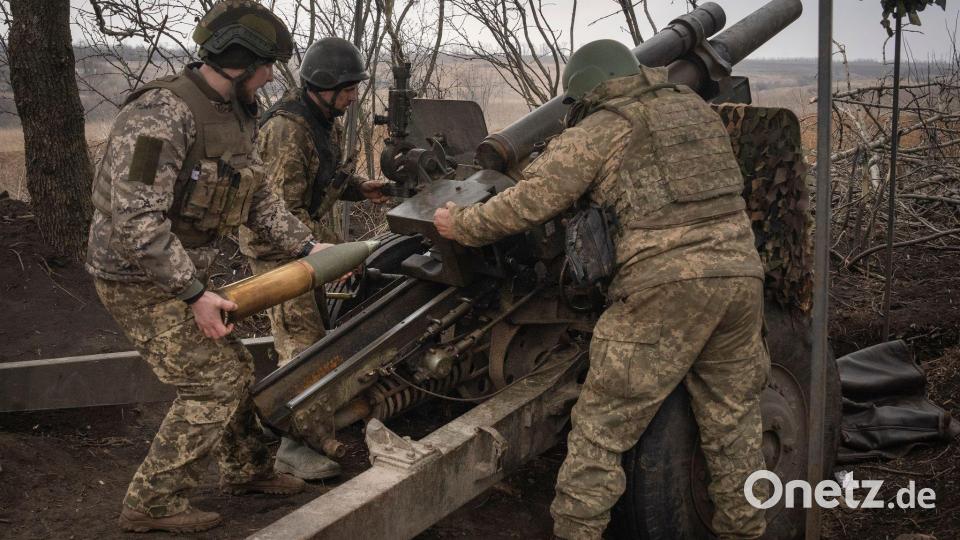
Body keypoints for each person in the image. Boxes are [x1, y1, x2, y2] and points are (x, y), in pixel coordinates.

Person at [434, 39, 770, 540]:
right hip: (741, 279)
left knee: (599, 434)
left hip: (663, 290)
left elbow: (529, 203)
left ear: (588, 91)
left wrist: (458, 223)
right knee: (736, 427)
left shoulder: (601, 128)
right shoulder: (695, 110)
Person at [85, 1, 330, 533]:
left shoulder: (237, 112)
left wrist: (308, 248)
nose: (270, 77)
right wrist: (195, 294)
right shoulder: (159, 116)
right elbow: (136, 219)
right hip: (134, 276)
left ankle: (246, 468)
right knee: (213, 381)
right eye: (267, 65)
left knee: (235, 366)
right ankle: (152, 502)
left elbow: (259, 195)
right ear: (240, 61)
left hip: (177, 271)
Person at [239, 37, 387, 480]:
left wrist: (360, 187)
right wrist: (338, 253)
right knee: (302, 347)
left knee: (317, 337)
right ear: (322, 85)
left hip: (305, 249)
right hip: (279, 254)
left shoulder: (323, 120)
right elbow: (280, 212)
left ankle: (304, 428)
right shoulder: (288, 129)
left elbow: (323, 178)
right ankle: (294, 447)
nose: (353, 95)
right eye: (347, 87)